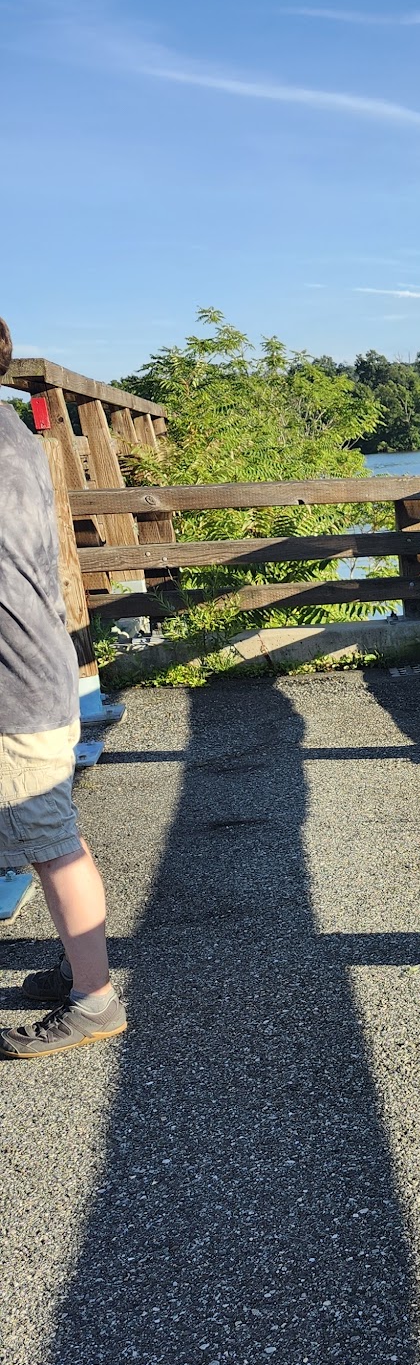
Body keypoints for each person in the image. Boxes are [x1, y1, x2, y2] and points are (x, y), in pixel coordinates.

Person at [0, 314, 127, 1057]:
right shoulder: (15, 433)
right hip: (41, 667)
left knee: (50, 844)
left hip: (13, 686)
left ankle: (95, 997)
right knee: (52, 835)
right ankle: (83, 965)